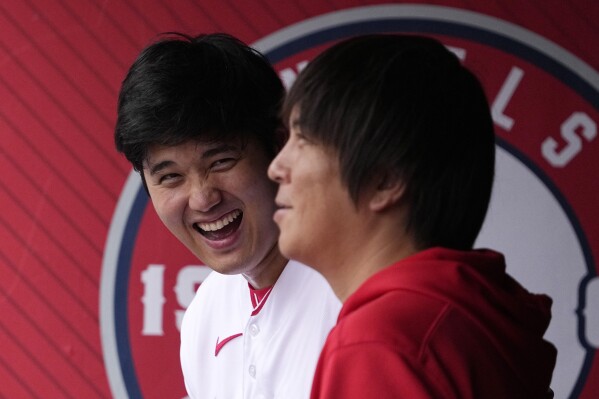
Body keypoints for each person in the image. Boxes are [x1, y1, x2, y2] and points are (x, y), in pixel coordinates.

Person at [268, 34, 557, 399]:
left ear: (386, 181)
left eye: (304, 138)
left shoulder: (381, 340)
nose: (276, 167)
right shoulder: (466, 323)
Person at [114, 32, 341, 399]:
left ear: (279, 147)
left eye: (221, 161)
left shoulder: (352, 287)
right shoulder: (205, 314)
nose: (203, 198)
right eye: (170, 177)